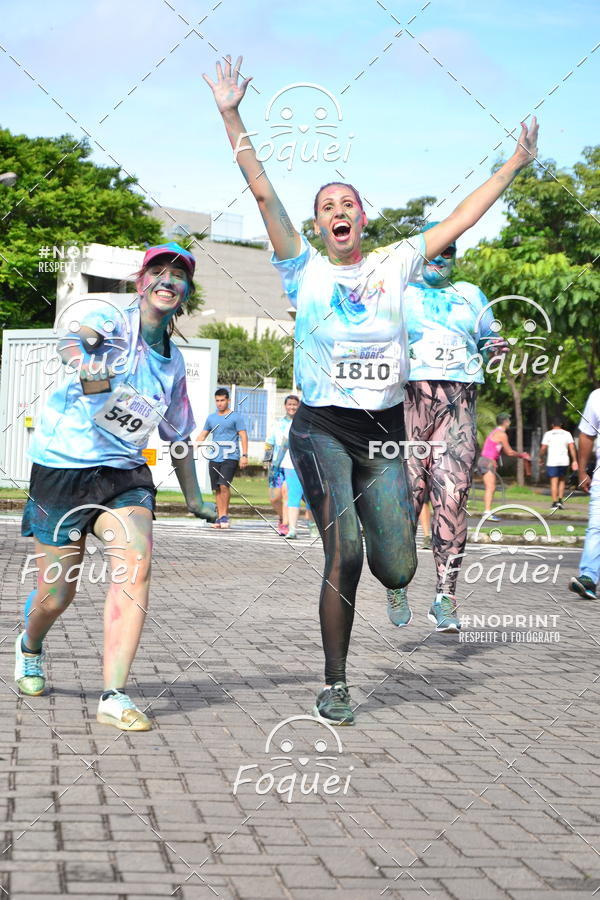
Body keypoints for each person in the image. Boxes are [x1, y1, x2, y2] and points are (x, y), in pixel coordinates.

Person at [204, 54, 538, 725]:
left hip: (385, 433)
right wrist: (231, 112)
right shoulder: (302, 271)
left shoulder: (397, 261)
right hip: (322, 427)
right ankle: (336, 683)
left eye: (346, 204)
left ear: (362, 216)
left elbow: (461, 220)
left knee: (397, 566)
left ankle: (398, 583)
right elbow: (263, 192)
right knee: (345, 550)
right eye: (326, 207)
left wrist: (512, 167)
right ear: (320, 224)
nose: (337, 212)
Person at [17, 242, 216, 730]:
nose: (168, 281)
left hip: (123, 475)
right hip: (62, 468)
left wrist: (195, 498)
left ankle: (114, 695)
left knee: (136, 569)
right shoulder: (111, 319)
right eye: (158, 272)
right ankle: (29, 645)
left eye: (179, 276)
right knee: (56, 595)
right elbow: (73, 339)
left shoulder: (171, 365)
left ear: (186, 291)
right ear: (140, 281)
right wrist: (84, 360)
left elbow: (178, 436)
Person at [392, 227, 509, 632]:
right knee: (410, 494)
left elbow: (490, 337)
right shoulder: (400, 294)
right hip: (410, 402)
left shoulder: (471, 294)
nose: (438, 260)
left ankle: (445, 596)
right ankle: (397, 582)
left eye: (448, 253)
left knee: (453, 498)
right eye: (432, 253)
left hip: (459, 406)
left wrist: (496, 345)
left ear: (456, 257)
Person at [197, 388, 248, 529]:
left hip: (231, 457)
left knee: (224, 485)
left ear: (228, 400)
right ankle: (220, 517)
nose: (220, 403)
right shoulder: (211, 418)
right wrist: (190, 449)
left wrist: (244, 455)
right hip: (214, 457)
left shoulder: (235, 417)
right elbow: (202, 435)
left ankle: (224, 515)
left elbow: (243, 435)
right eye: (217, 401)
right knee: (217, 488)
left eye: (222, 400)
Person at [569, 389, 600, 600]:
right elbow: (587, 434)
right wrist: (582, 471)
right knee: (596, 527)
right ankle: (588, 577)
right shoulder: (597, 397)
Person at [477, 413, 530, 521]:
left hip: (486, 461)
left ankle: (487, 512)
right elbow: (509, 452)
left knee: (491, 487)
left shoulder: (495, 432)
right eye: (509, 420)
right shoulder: (501, 434)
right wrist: (522, 455)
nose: (510, 422)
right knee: (490, 487)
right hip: (487, 462)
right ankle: (487, 513)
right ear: (505, 422)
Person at [264, 394, 300, 535]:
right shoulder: (278, 424)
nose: (292, 407)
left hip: (292, 465)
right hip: (277, 466)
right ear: (285, 406)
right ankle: (282, 517)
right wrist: (267, 460)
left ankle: (286, 524)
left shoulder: (301, 425)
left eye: (294, 404)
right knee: (274, 497)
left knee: (287, 493)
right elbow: (269, 443)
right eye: (289, 404)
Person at [539, 417, 578, 509]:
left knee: (554, 482)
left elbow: (543, 448)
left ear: (552, 425)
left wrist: (541, 458)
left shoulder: (548, 434)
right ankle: (560, 501)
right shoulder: (567, 434)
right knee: (562, 481)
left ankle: (554, 502)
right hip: (564, 461)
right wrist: (575, 460)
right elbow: (572, 447)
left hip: (552, 461)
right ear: (561, 425)